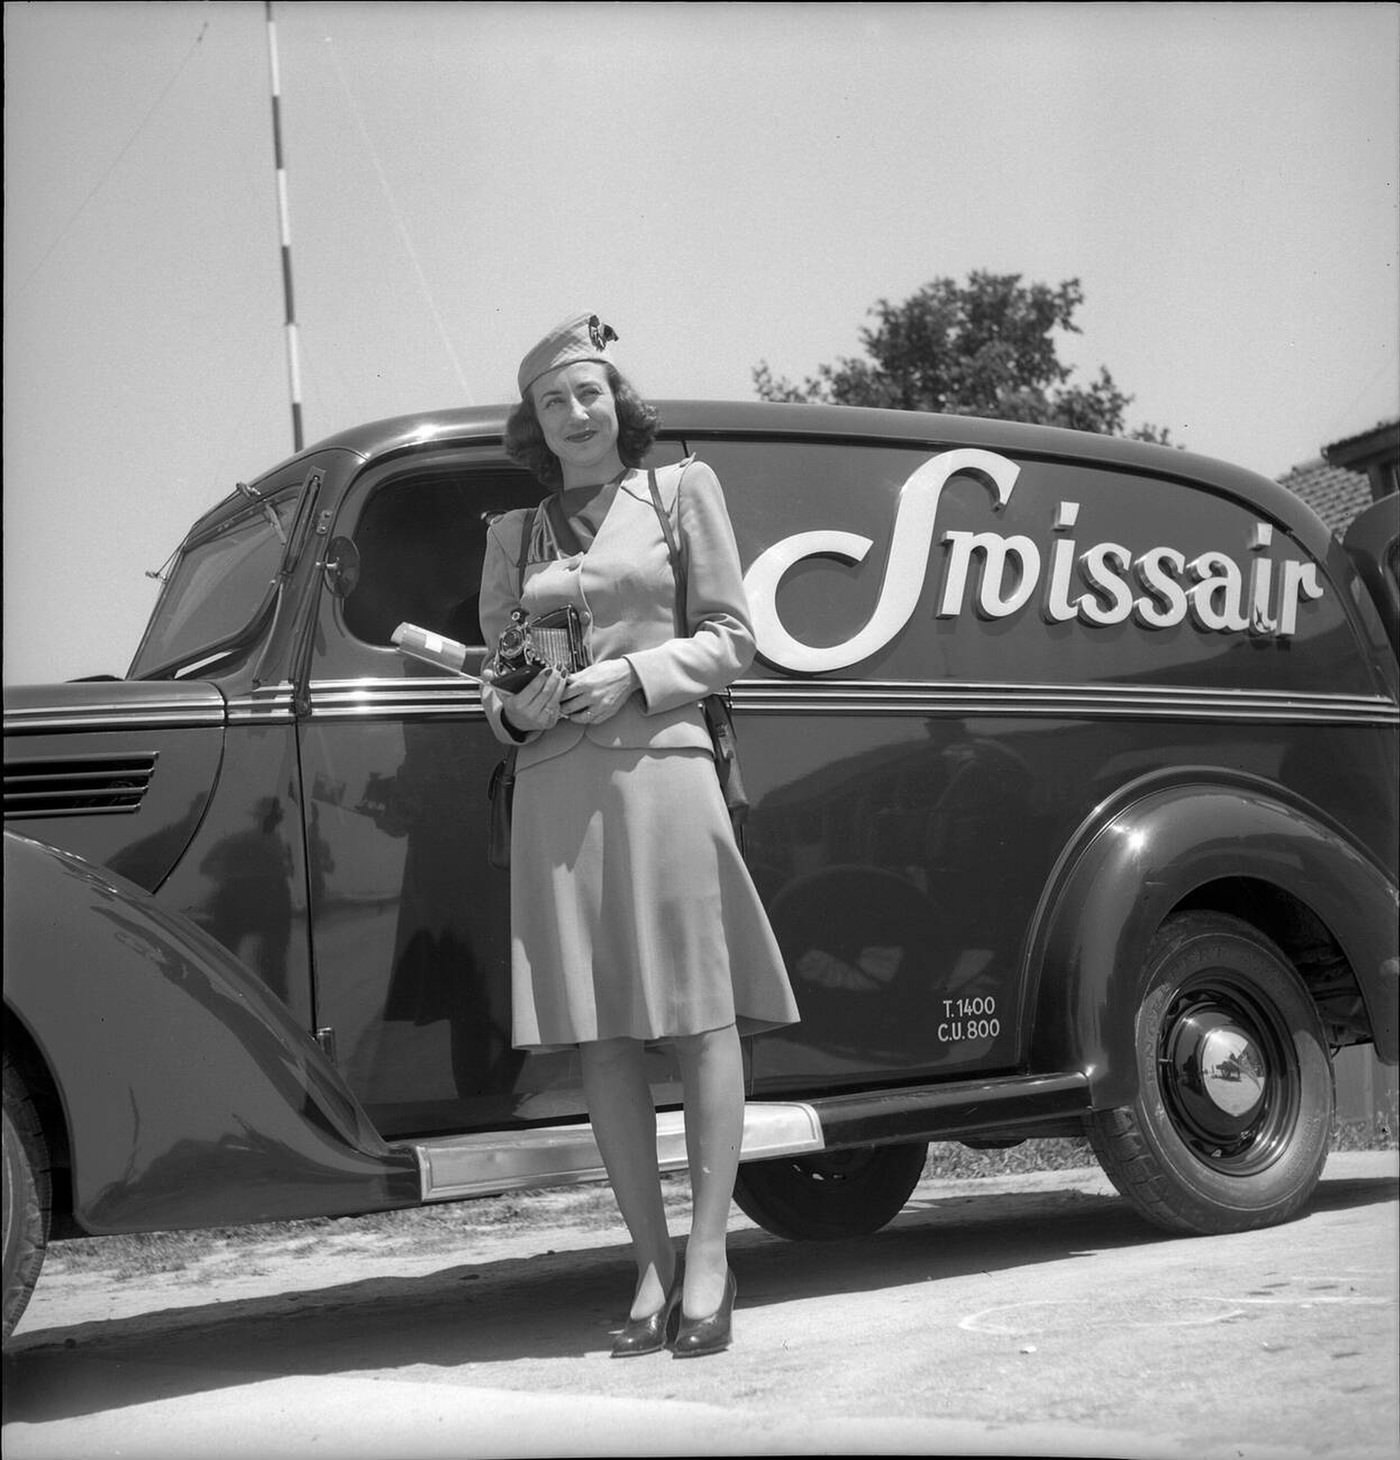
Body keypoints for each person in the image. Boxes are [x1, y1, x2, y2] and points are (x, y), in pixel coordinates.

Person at [479, 313, 799, 1358]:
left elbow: (731, 639)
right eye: (551, 402)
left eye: (588, 393)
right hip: (555, 789)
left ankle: (709, 1253)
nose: (574, 415)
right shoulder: (508, 535)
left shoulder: (678, 492)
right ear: (532, 424)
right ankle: (650, 1261)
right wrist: (512, 709)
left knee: (699, 1015)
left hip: (664, 771)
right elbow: (498, 676)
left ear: (618, 401)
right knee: (599, 1030)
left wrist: (634, 672)